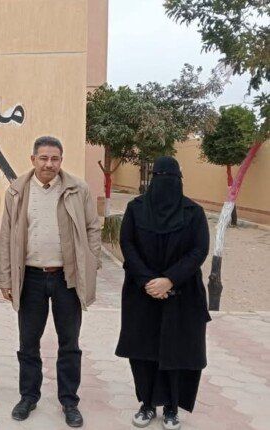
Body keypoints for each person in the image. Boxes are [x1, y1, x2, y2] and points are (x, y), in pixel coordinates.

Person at [0, 136, 101, 428]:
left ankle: (69, 401)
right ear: (33, 159)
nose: (49, 164)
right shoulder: (17, 191)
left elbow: (93, 228)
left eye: (54, 159)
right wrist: (4, 277)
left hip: (67, 277)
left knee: (70, 343)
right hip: (30, 277)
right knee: (28, 342)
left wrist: (90, 262)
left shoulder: (78, 189)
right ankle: (28, 397)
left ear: (61, 161)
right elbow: (6, 235)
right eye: (43, 158)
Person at [115, 156, 210, 430]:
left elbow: (199, 250)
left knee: (177, 352)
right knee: (142, 351)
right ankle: (146, 403)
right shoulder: (136, 208)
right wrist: (148, 281)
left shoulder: (194, 212)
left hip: (182, 294)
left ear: (179, 181)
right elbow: (127, 244)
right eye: (160, 177)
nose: (166, 183)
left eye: (172, 178)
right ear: (152, 180)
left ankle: (171, 407)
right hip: (141, 293)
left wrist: (169, 280)